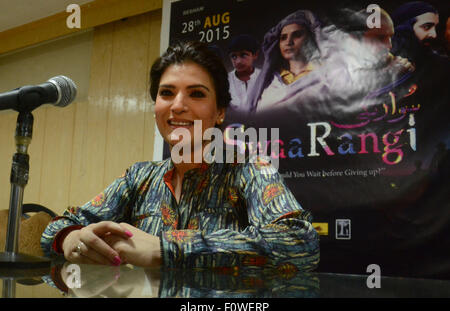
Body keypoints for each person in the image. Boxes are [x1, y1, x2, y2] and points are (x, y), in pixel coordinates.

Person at [41, 41, 319, 271]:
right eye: (166, 93)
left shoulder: (249, 168)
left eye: (196, 94)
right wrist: (71, 239)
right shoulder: (138, 177)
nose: (177, 106)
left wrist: (167, 249)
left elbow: (299, 243)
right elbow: (59, 226)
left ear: (220, 111)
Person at [247, 10, 323, 113]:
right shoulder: (269, 81)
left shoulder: (324, 74)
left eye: (296, 35)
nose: (288, 42)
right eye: (283, 38)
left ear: (310, 38)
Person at [227, 34, 261, 112]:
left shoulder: (265, 77)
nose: (238, 61)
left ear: (255, 55)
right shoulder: (224, 81)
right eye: (234, 56)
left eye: (243, 55)